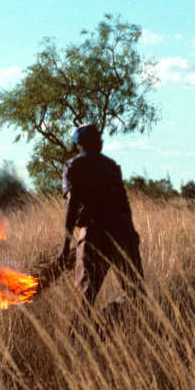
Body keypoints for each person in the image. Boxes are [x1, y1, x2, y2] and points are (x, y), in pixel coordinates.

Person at [59, 124, 143, 308]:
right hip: (122, 233)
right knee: (135, 293)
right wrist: (131, 232)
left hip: (93, 235)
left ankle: (89, 330)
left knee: (85, 297)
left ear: (77, 144)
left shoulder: (73, 166)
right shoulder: (111, 166)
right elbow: (124, 204)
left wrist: (65, 246)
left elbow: (72, 204)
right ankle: (106, 321)